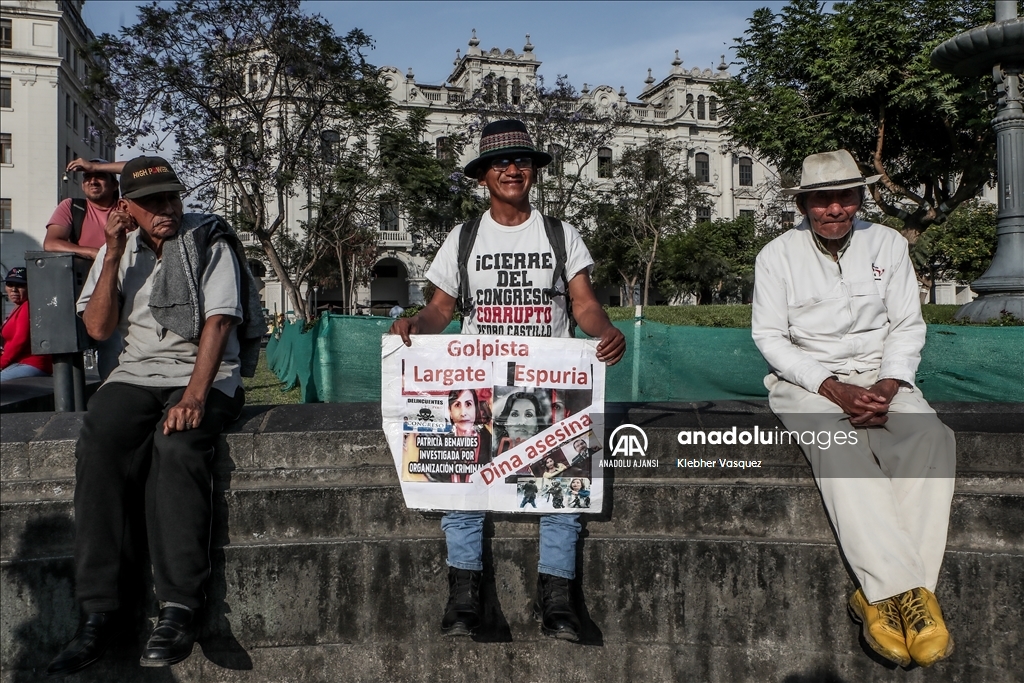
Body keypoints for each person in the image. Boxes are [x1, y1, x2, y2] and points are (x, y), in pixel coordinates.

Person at [391, 119, 625, 642]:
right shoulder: (463, 237)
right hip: (478, 382)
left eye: (522, 161)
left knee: (562, 486)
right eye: (500, 162)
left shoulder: (561, 234)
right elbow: (441, 309)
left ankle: (557, 595)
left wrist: (605, 329)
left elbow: (584, 304)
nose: (512, 169)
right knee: (459, 481)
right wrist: (414, 325)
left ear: (534, 172)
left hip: (551, 381)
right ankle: (463, 592)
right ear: (483, 177)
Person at [46, 156, 265, 676]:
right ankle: (99, 611)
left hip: (207, 373)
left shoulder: (208, 239)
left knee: (178, 446)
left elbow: (219, 322)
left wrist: (195, 396)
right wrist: (112, 252)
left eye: (171, 197)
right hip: (137, 373)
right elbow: (99, 329)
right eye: (151, 202)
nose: (166, 209)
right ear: (126, 208)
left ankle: (180, 607)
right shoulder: (118, 248)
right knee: (99, 441)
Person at [751, 149, 956, 668]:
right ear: (803, 204)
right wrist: (833, 389)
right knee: (840, 445)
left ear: (860, 198)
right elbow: (770, 338)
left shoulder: (887, 243)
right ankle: (906, 597)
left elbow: (906, 325)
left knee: (932, 438)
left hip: (882, 377)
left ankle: (882, 597)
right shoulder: (776, 255)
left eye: (845, 196)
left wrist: (888, 385)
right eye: (822, 200)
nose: (835, 209)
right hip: (807, 383)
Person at [45, 157, 128, 379]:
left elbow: (142, 168)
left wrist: (95, 166)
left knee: (116, 345)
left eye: (100, 176)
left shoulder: (128, 208)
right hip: (88, 291)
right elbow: (51, 243)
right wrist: (97, 253)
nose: (92, 181)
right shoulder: (72, 207)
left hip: (127, 287)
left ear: (115, 184)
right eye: (87, 177)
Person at [1, 267, 53, 381]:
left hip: (31, 363)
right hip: (20, 363)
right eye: (10, 284)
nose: (14, 289)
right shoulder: (19, 307)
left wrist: (2, 362)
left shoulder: (28, 306)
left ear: (30, 287)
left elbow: (20, 340)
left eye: (20, 285)